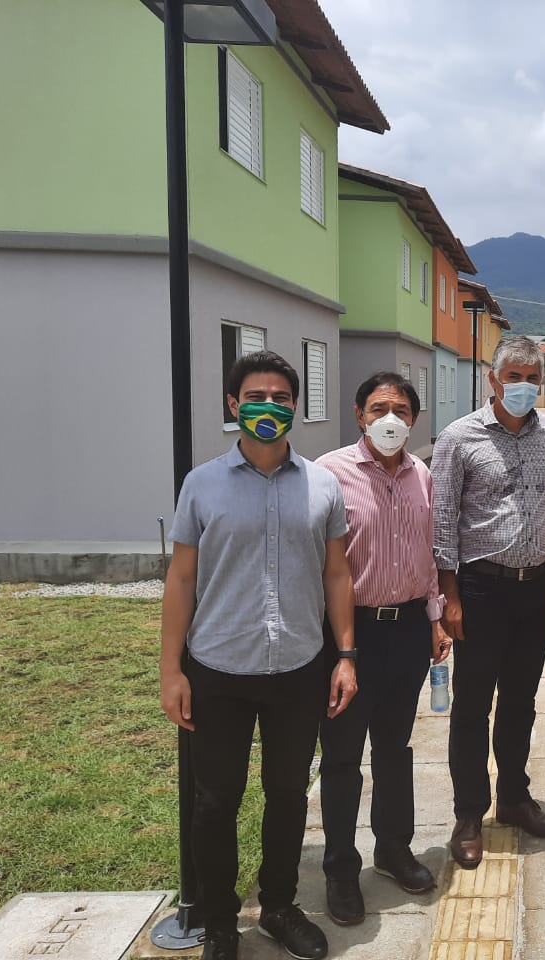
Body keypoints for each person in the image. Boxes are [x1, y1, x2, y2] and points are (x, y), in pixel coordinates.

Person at [159, 351, 357, 960]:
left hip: (298, 667)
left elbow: (337, 574)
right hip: (217, 668)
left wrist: (345, 654)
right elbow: (182, 580)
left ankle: (278, 906)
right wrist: (171, 671)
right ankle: (220, 922)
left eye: (280, 397)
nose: (267, 406)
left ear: (295, 406)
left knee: (288, 795)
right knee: (216, 800)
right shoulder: (202, 484)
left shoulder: (323, 485)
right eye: (254, 397)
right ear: (232, 404)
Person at [432, 335, 545, 869]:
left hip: (536, 586)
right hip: (480, 588)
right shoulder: (459, 438)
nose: (522, 386)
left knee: (520, 700)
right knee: (472, 705)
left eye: (531, 378)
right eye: (512, 376)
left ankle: (514, 797)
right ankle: (469, 813)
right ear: (493, 379)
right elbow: (442, 522)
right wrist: (449, 597)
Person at [314, 372, 452, 925]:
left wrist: (435, 619)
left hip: (409, 630)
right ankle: (340, 870)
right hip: (350, 635)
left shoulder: (422, 474)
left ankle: (393, 849)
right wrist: (340, 650)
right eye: (378, 408)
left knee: (395, 748)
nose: (389, 418)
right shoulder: (329, 473)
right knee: (343, 756)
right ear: (359, 414)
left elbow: (429, 552)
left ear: (413, 419)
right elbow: (321, 563)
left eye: (400, 410)